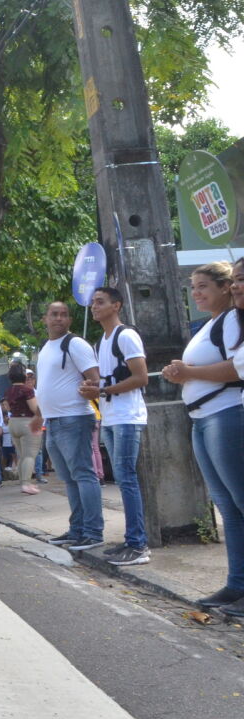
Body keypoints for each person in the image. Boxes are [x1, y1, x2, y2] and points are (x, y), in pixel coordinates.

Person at [163, 261, 244, 611]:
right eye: (193, 287)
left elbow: (236, 368)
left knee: (239, 503)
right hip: (203, 419)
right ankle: (236, 584)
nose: (196, 293)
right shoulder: (211, 324)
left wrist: (188, 371)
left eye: (203, 286)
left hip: (224, 415)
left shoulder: (230, 321)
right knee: (228, 507)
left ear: (225, 288)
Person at [81, 286, 149, 565]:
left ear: (116, 305)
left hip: (127, 416)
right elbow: (107, 381)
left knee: (126, 478)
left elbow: (141, 377)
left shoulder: (126, 336)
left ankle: (138, 544)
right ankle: (131, 540)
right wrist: (93, 387)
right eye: (93, 303)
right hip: (111, 417)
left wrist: (103, 392)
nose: (94, 307)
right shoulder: (102, 341)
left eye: (100, 302)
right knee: (122, 478)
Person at [32, 301, 103, 551]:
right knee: (69, 479)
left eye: (63, 315)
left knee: (83, 475)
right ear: (45, 319)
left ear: (70, 320)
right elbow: (45, 385)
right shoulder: (46, 348)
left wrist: (88, 390)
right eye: (54, 314)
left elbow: (95, 379)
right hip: (53, 422)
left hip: (74, 418)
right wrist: (40, 415)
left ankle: (93, 533)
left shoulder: (74, 344)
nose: (59, 319)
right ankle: (77, 530)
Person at [4, 362, 42, 494]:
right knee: (29, 455)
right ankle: (26, 484)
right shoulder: (27, 390)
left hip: (13, 423)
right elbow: (33, 408)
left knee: (21, 456)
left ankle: (22, 482)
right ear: (23, 375)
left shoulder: (8, 390)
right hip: (27, 422)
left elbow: (7, 407)